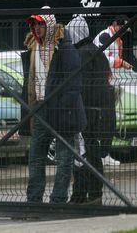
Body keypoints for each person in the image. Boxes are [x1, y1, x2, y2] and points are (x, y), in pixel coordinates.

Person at [21, 7, 86, 203]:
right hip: (39, 109)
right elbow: (30, 80)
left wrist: (64, 105)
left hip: (62, 112)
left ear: (50, 24)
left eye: (41, 23)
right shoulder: (33, 47)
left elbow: (74, 82)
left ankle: (58, 199)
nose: (37, 27)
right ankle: (34, 199)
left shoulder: (64, 47)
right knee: (36, 156)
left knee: (64, 158)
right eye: (34, 24)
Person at [66, 15, 115, 205]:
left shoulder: (78, 53)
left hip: (83, 110)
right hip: (99, 110)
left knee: (82, 154)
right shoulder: (98, 51)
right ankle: (94, 193)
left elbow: (80, 86)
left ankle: (82, 194)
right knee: (92, 151)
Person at [93, 18, 132, 166]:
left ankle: (104, 153)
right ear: (115, 24)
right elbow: (103, 57)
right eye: (122, 27)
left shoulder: (116, 38)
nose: (123, 31)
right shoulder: (105, 36)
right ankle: (102, 154)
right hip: (102, 85)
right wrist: (121, 62)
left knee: (108, 122)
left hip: (109, 85)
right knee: (107, 121)